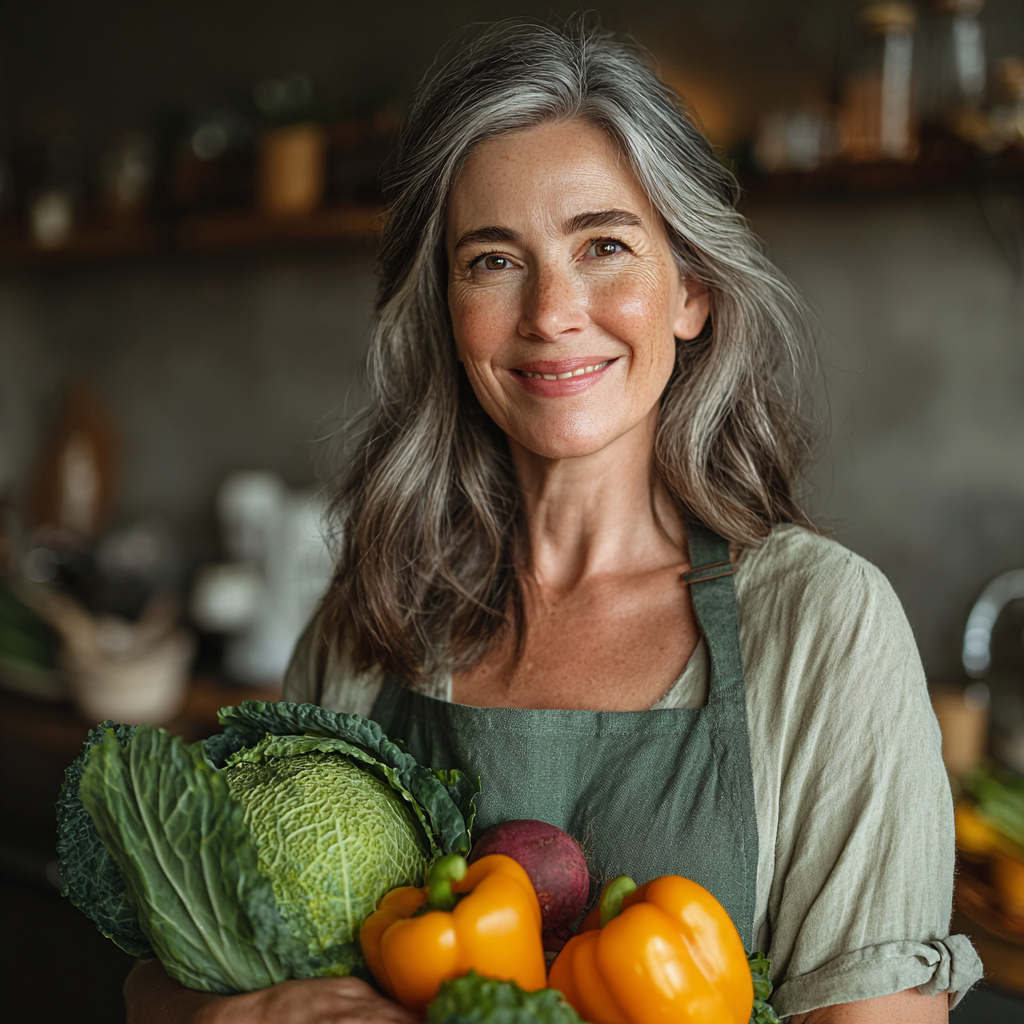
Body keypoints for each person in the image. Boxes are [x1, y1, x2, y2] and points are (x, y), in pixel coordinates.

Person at [125, 21, 982, 1024]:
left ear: (691, 290)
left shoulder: (823, 623)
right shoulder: (377, 615)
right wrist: (244, 1014)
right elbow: (169, 972)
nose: (551, 311)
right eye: (494, 260)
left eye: (605, 246)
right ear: (446, 307)